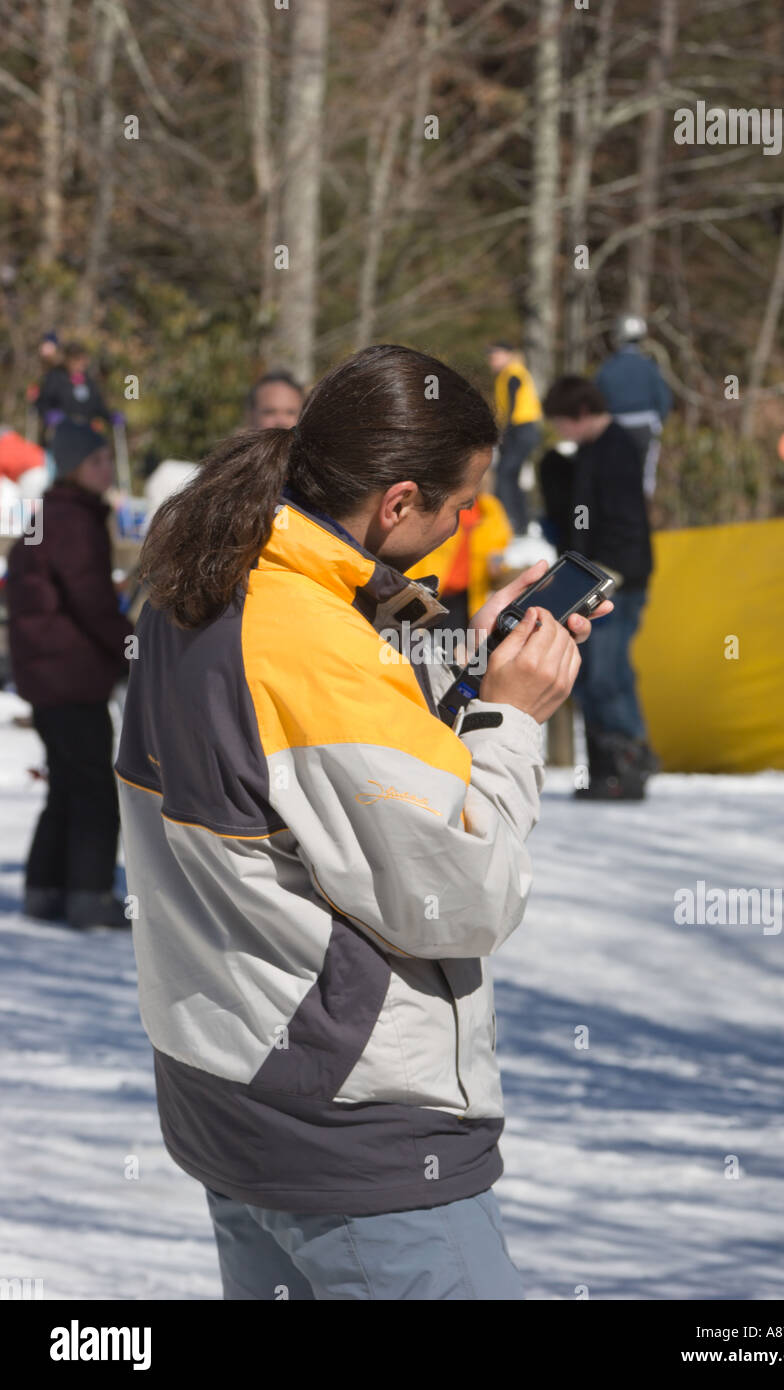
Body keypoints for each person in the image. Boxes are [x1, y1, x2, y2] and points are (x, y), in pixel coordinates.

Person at [116, 343, 612, 1301]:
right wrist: (511, 722)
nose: (465, 523)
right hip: (354, 1137)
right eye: (459, 505)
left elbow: (318, 771)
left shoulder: (209, 577)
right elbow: (462, 896)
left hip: (231, 1091)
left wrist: (470, 667)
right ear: (397, 503)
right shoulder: (311, 643)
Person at [5, 420, 133, 929]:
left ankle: (46, 887)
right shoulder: (74, 521)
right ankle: (89, 894)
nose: (108, 469)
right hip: (70, 676)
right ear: (78, 467)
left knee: (66, 783)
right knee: (95, 788)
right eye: (99, 460)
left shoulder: (49, 516)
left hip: (47, 677)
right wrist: (134, 647)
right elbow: (91, 600)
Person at [541, 376, 655, 800]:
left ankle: (628, 761)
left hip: (617, 580)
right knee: (590, 674)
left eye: (562, 424)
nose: (560, 433)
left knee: (607, 673)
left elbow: (625, 521)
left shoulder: (617, 450)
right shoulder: (591, 451)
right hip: (594, 577)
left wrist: (610, 574)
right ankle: (606, 766)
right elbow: (575, 514)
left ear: (583, 414)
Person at [405, 480, 512, 634]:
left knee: (452, 648)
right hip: (428, 591)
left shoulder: (489, 507)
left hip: (463, 597)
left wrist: (497, 563)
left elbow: (499, 543)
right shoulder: (441, 503)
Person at [595, 314, 672, 498]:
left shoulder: (607, 368)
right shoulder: (649, 366)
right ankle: (642, 517)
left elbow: (596, 401)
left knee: (616, 478)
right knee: (645, 479)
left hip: (616, 428)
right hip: (645, 428)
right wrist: (657, 421)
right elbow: (663, 399)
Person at [486, 343, 543, 535]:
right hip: (518, 430)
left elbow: (512, 402)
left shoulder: (513, 373)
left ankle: (514, 522)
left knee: (505, 475)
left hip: (521, 429)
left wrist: (504, 430)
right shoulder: (507, 374)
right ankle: (520, 521)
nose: (491, 360)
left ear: (507, 355)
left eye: (495, 355)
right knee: (510, 475)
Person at [35, 341, 112, 430]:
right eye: (76, 359)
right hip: (60, 431)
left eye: (82, 359)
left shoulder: (88, 381)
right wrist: (48, 413)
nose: (80, 364)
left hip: (85, 432)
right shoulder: (55, 377)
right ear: (67, 360)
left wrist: (110, 416)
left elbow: (98, 405)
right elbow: (42, 402)